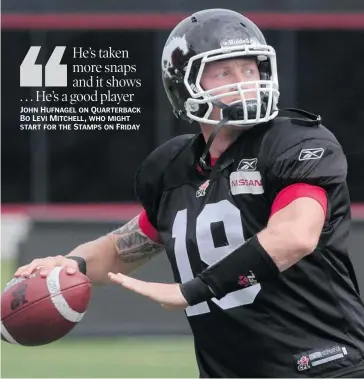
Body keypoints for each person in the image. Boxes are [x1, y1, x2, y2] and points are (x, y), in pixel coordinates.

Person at [12, 8, 364, 378]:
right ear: (185, 83)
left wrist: (194, 290)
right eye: (224, 71)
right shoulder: (174, 167)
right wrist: (72, 264)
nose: (243, 81)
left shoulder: (295, 142)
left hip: (324, 366)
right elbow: (124, 246)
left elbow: (294, 236)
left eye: (249, 69)